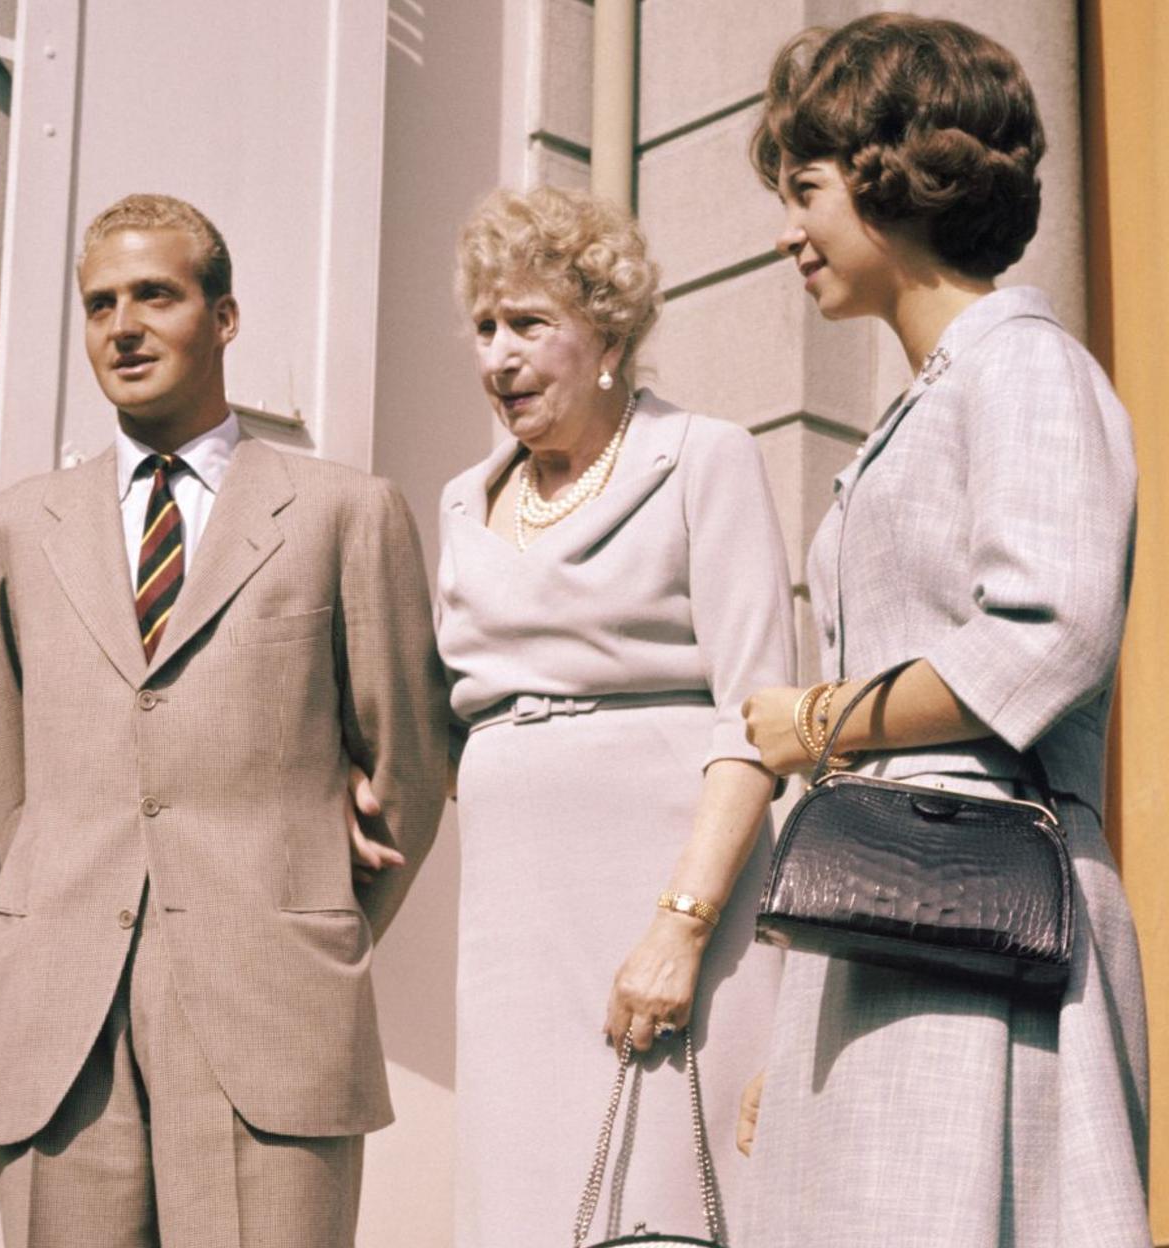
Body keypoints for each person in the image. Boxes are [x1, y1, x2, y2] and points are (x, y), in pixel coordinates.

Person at [0, 193, 449, 1248]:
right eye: (100, 305)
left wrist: (306, 919)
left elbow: (409, 763)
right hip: (59, 1021)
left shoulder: (345, 512)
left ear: (223, 318)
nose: (123, 327)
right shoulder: (9, 532)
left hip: (273, 1001)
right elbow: (9, 785)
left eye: (155, 296)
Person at [737, 15, 1151, 1247]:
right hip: (881, 915)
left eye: (805, 188)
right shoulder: (925, 405)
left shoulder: (1025, 368)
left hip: (985, 921)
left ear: (890, 176)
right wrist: (798, 1021)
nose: (785, 230)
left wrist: (814, 722)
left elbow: (1049, 632)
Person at [434, 185, 795, 1246]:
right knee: (524, 1201)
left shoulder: (703, 457)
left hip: (671, 897)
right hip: (513, 916)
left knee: (662, 1207)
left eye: (529, 323)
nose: (500, 356)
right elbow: (437, 710)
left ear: (607, 336)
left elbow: (754, 716)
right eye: (486, 327)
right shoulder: (462, 502)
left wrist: (679, 927)